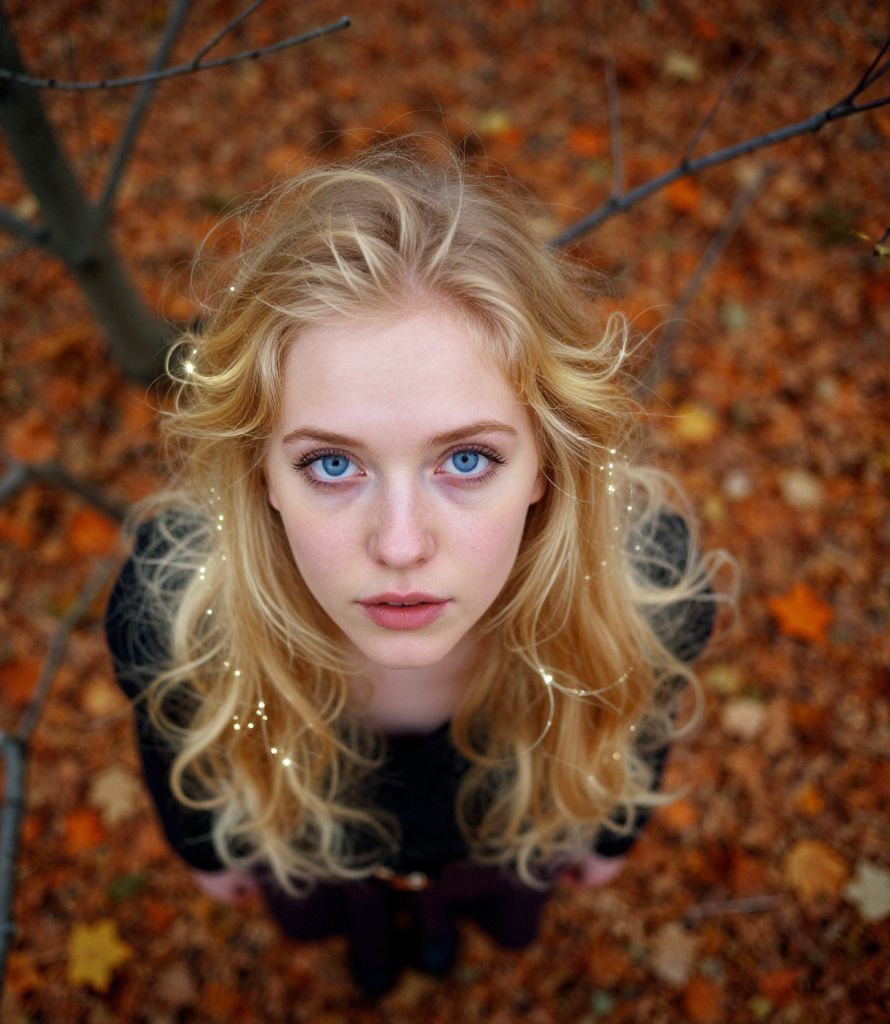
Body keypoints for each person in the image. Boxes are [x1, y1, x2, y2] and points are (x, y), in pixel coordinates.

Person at [104, 140, 725, 1000]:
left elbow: (638, 715)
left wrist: (609, 837)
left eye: (466, 460)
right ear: (263, 477)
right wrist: (202, 851)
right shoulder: (171, 618)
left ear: (545, 465)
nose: (399, 546)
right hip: (320, 862)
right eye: (332, 465)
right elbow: (169, 737)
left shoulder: (652, 590)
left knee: (487, 927)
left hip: (507, 852)